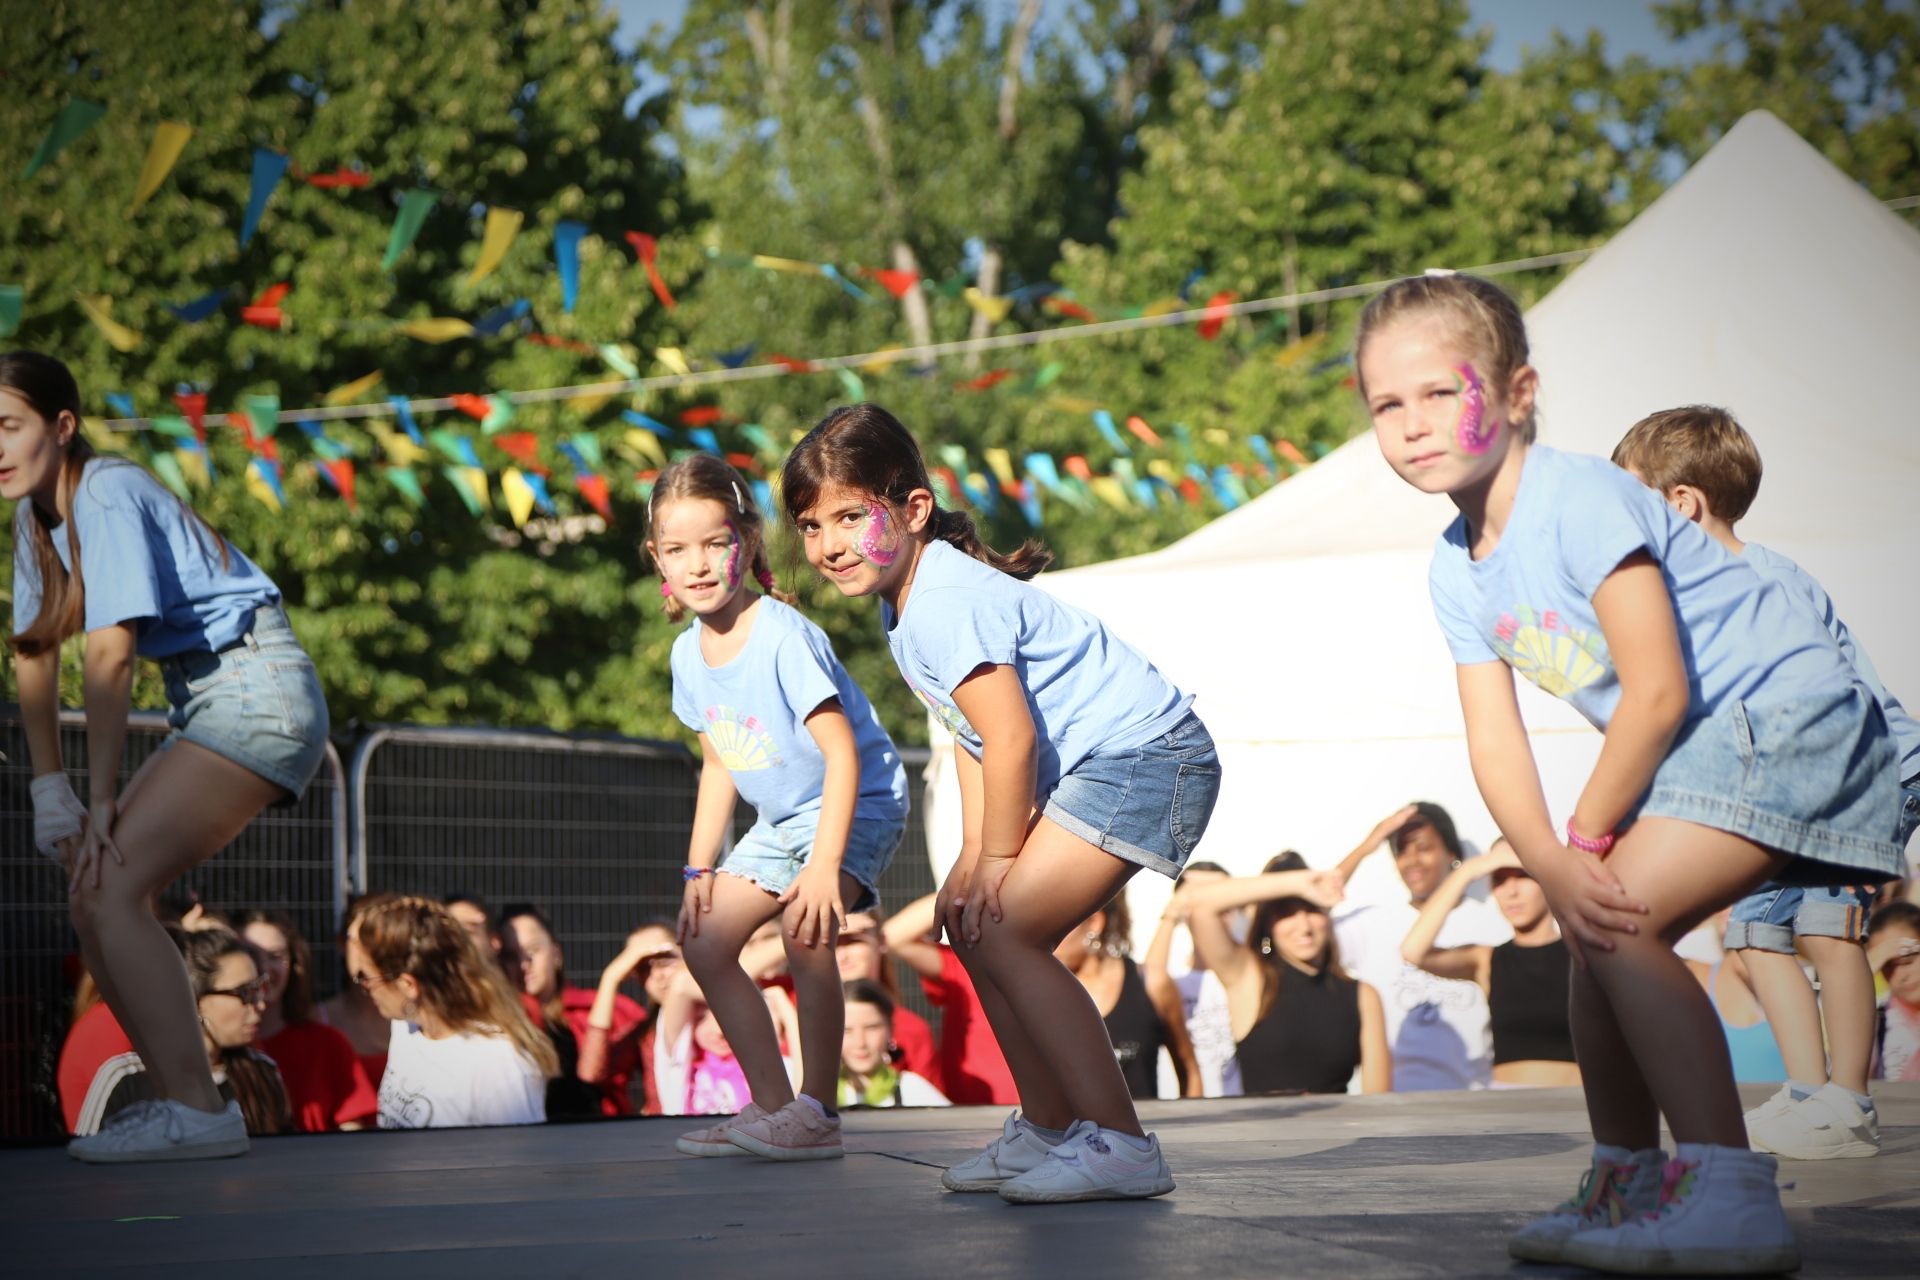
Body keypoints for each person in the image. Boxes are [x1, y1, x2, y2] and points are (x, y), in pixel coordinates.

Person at [1360, 272, 1901, 1273]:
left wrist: (1582, 843)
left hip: (1783, 716)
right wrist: (1553, 867)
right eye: (1386, 405)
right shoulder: (1455, 564)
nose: (1412, 424)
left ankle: (1729, 1190)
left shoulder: (1577, 494)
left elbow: (1653, 689)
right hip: (1707, 739)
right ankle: (1627, 1180)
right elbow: (1495, 741)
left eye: (1441, 392)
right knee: (1591, 929)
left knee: (1623, 916)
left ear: (1517, 391)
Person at [784, 403, 1221, 1204]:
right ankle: (1050, 1127)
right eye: (812, 526)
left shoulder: (945, 600)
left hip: (1148, 759)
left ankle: (1121, 1143)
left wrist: (996, 859)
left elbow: (1012, 740)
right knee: (976, 925)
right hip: (1110, 766)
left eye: (851, 516)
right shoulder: (909, 600)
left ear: (914, 509)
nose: (830, 544)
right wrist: (966, 868)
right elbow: (971, 733)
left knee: (1010, 931)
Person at [5, 351, 330, 1163]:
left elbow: (110, 656)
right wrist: (52, 791)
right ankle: (185, 1101)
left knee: (112, 886)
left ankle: (198, 1109)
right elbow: (36, 652)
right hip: (212, 697)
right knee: (92, 903)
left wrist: (102, 797)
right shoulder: (31, 518)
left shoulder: (106, 491)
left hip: (258, 691)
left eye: (8, 427)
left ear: (63, 426)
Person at [1614, 405, 1918, 1158]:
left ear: (1681, 504)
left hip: (1855, 769)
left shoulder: (1760, 580)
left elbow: (1829, 697)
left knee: (1824, 923)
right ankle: (1810, 1091)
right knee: (1754, 932)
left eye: (1631, 502)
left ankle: (1849, 1099)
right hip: (1777, 782)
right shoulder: (1690, 599)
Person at [654, 454, 910, 1161]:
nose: (698, 564)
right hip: (783, 818)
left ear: (749, 540)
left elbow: (844, 756)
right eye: (678, 549)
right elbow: (720, 762)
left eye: (715, 542)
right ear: (658, 560)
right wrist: (698, 870)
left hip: (857, 803)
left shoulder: (782, 635)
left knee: (805, 930)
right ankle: (770, 1105)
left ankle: (817, 1112)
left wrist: (825, 868)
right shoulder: (686, 656)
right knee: (703, 944)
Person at [1330, 804, 1511, 1090]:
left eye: (1424, 848)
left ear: (1452, 854)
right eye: (1401, 851)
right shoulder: (1371, 923)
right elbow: (1307, 921)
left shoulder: (1494, 922)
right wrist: (1366, 847)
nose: (1411, 860)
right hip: (1391, 1109)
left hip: (1477, 1107)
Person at [1178, 863, 1389, 1095]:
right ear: (1268, 924)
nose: (1304, 926)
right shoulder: (1249, 978)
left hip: (1341, 1130)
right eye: (1286, 913)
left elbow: (1377, 1100)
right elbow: (1200, 906)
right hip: (1263, 1130)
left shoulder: (1362, 995)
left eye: (1312, 910)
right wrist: (1301, 882)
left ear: (1328, 917)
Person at [347, 896, 555, 1129]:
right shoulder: (406, 1026)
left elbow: (518, 1162)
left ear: (408, 985)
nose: (364, 986)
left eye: (369, 978)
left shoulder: (498, 1067)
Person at [74, 925, 293, 1140]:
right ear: (194, 1002)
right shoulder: (125, 1077)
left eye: (259, 988)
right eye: (245, 993)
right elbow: (84, 1161)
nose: (260, 1004)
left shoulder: (261, 1072)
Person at [1399, 840, 1580, 1087]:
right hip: (1508, 1109)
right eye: (1499, 880)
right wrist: (1467, 872)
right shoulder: (1488, 960)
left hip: (1578, 1106)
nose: (1511, 891)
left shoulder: (1582, 954)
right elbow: (1413, 951)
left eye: (1522, 875)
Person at [236, 909, 377, 1131]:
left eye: (275, 956)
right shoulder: (217, 1052)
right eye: (251, 955)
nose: (263, 968)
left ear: (294, 963)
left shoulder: (327, 1044)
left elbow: (355, 1136)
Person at [1055, 891, 1201, 1099]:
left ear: (1094, 923)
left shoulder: (1151, 982)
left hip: (1146, 1129)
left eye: (1056, 927)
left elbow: (1189, 1069)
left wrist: (1192, 1127)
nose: (1045, 938)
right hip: (1070, 1132)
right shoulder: (1043, 994)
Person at [879, 893, 1017, 1106]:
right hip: (968, 1116)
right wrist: (971, 884)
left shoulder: (1068, 978)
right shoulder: (971, 968)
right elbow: (892, 937)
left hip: (1053, 1120)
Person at [499, 903, 615, 1120]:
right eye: (510, 956)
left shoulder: (596, 1007)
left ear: (556, 953)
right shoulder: (497, 1023)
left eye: (532, 951)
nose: (524, 964)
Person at [652, 959, 800, 1119]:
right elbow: (681, 986)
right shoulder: (677, 1068)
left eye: (732, 1017)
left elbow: (801, 1093)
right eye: (701, 1017)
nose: (719, 1031)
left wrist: (785, 1011)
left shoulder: (773, 1071)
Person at [1144, 861, 1244, 1099]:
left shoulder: (1247, 974)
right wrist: (1173, 912)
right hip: (1185, 1109)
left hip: (1243, 1112)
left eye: (1224, 902)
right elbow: (1146, 982)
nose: (1217, 913)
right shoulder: (1173, 978)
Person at [834, 909, 942, 1090]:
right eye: (832, 942)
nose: (843, 956)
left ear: (881, 942)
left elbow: (929, 1111)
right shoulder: (795, 1011)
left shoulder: (912, 1029)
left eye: (853, 940)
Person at [579, 921, 676, 1115]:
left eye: (664, 960)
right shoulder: (646, 1033)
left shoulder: (719, 1016)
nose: (658, 975)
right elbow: (591, 1073)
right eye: (643, 967)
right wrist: (610, 979)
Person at [317, 891, 396, 1087]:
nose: (375, 955)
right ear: (342, 943)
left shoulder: (415, 1020)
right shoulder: (319, 1020)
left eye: (386, 942)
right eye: (362, 941)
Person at [839, 979, 950, 1108]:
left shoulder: (912, 1089)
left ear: (890, 1029)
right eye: (846, 1030)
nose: (860, 1043)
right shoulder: (820, 1095)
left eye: (871, 1028)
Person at [1866, 901, 1920, 1081]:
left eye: (1907, 960)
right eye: (1887, 966)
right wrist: (1864, 969)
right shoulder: (1876, 1020)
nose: (1901, 975)